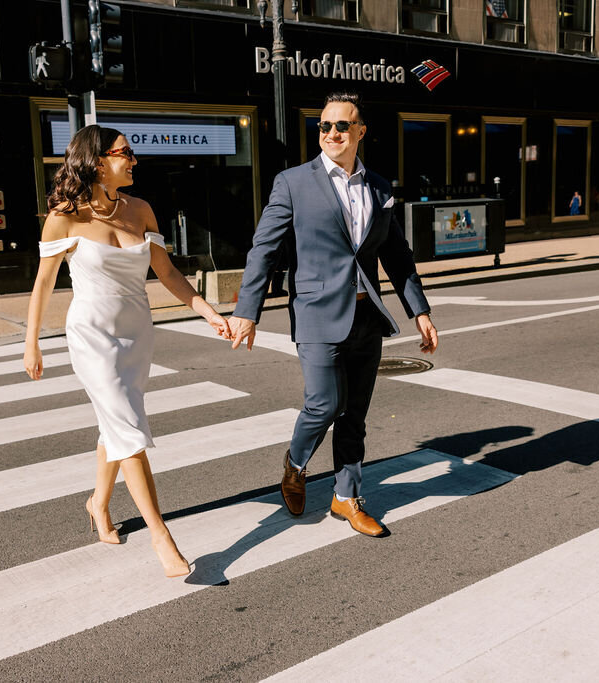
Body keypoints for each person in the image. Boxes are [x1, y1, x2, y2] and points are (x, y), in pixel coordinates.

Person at [23, 125, 232, 578]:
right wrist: (32, 341)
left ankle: (98, 504)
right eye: (126, 153)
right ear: (97, 161)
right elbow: (43, 282)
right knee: (129, 431)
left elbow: (169, 274)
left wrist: (208, 312)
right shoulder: (66, 215)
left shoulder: (140, 209)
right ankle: (162, 536)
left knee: (116, 426)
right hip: (92, 335)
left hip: (137, 334)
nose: (134, 160)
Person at [229, 92, 438, 537]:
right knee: (324, 403)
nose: (331, 134)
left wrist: (419, 309)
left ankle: (346, 497)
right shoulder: (293, 182)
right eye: (324, 126)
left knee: (355, 415)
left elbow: (396, 254)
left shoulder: (379, 186)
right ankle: (296, 462)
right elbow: (263, 249)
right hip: (317, 314)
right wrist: (248, 311)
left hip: (367, 319)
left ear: (360, 132)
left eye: (342, 126)